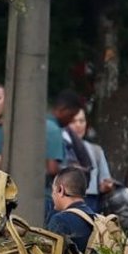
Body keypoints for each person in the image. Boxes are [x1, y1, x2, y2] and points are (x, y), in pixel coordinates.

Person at [45, 91, 84, 223]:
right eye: (71, 116)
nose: (70, 121)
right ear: (63, 110)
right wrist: (71, 170)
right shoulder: (54, 130)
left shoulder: (40, 124)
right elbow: (52, 168)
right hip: (46, 196)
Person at [70, 109, 111, 213]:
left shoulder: (95, 150)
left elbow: (105, 180)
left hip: (90, 202)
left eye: (81, 121)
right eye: (73, 121)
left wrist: (106, 185)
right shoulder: (60, 149)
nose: (78, 125)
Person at [45, 168, 96, 253]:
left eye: (53, 190)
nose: (52, 195)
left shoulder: (60, 220)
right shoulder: (95, 218)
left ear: (60, 190)